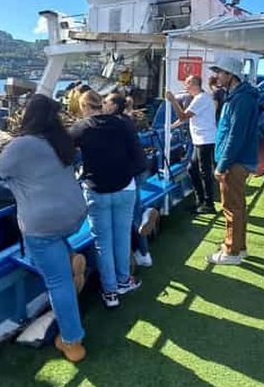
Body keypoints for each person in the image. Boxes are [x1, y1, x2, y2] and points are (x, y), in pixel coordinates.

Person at [0, 94, 88, 362]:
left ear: (28, 116)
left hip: (43, 223)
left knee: (58, 282)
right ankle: (69, 257)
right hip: (74, 214)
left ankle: (72, 342)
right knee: (53, 247)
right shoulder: (61, 141)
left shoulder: (21, 144)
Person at [70, 90, 141, 308]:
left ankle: (110, 292)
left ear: (85, 107)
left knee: (103, 243)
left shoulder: (81, 128)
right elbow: (136, 152)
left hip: (97, 190)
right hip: (125, 187)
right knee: (122, 237)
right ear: (101, 104)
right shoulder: (122, 123)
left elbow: (61, 149)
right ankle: (124, 281)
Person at [207, 57, 260, 265]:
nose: (216, 76)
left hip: (234, 163)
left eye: (220, 72)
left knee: (231, 208)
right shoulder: (238, 97)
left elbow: (235, 136)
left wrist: (222, 165)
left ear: (231, 75)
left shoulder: (241, 99)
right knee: (237, 206)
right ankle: (239, 247)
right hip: (236, 161)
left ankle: (231, 252)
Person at [103, 93, 158, 268]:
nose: (103, 104)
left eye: (106, 102)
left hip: (131, 171)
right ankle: (143, 253)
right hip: (140, 168)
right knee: (134, 210)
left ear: (114, 106)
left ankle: (141, 252)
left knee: (132, 215)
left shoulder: (114, 123)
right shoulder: (125, 120)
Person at [166, 75, 217, 214]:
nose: (185, 87)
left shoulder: (201, 99)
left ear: (195, 84)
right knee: (192, 169)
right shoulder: (200, 98)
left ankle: (208, 204)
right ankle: (201, 201)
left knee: (204, 171)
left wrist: (173, 101)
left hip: (205, 140)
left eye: (187, 84)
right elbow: (186, 117)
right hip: (200, 140)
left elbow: (183, 116)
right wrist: (170, 127)